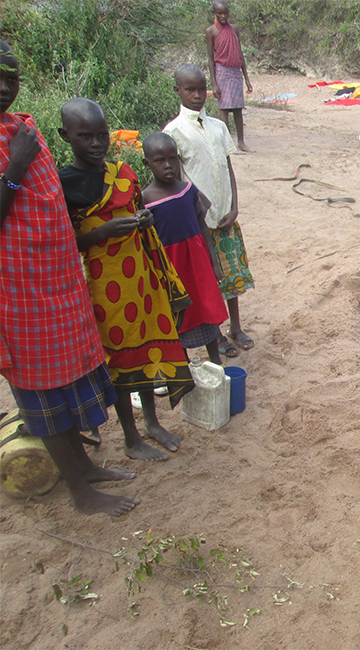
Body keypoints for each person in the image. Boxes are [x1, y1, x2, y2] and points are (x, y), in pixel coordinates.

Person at [0, 41, 138, 516]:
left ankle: (86, 470)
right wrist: (16, 165)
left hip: (55, 283)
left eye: (11, 78)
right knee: (42, 393)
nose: (4, 87)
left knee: (67, 382)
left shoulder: (20, 129)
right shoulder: (17, 146)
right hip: (18, 294)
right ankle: (82, 494)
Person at [58, 98, 194, 462]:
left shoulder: (123, 172)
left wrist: (143, 220)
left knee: (148, 347)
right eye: (85, 136)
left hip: (141, 278)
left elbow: (136, 211)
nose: (96, 143)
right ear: (65, 136)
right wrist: (101, 232)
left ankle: (151, 421)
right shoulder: (63, 184)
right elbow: (65, 243)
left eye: (101, 135)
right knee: (119, 360)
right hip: (103, 286)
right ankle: (131, 438)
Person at [164, 64, 255, 359]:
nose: (198, 95)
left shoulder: (217, 126)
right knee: (209, 280)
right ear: (178, 91)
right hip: (199, 222)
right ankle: (215, 334)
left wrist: (235, 205)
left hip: (226, 216)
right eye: (190, 89)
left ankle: (236, 326)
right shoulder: (174, 132)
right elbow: (178, 181)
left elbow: (228, 168)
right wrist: (200, 210)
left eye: (202, 89)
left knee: (231, 275)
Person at [141, 132, 228, 363]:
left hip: (197, 265)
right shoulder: (144, 200)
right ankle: (185, 370)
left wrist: (214, 263)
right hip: (170, 268)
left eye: (173, 159)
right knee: (177, 318)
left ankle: (216, 365)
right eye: (160, 161)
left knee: (205, 311)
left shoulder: (188, 190)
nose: (168, 165)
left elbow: (202, 226)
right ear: (147, 164)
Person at [206, 0, 254, 152]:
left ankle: (241, 142)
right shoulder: (211, 31)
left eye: (225, 12)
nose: (223, 16)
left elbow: (240, 54)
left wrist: (246, 78)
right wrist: (214, 84)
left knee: (238, 108)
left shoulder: (234, 29)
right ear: (214, 13)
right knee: (224, 110)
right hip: (221, 71)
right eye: (219, 13)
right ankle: (226, 143)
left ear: (229, 13)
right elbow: (210, 59)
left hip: (235, 72)